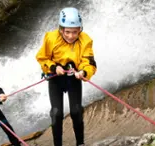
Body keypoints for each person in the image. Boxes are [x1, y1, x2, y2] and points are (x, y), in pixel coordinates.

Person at [35, 7, 97, 146]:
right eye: (67, 32)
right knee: (56, 114)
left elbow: (89, 62)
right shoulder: (51, 38)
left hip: (74, 78)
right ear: (61, 30)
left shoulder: (85, 40)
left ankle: (80, 143)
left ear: (79, 30)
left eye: (75, 32)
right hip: (55, 78)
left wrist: (83, 72)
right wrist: (53, 67)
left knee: (76, 111)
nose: (71, 36)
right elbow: (42, 58)